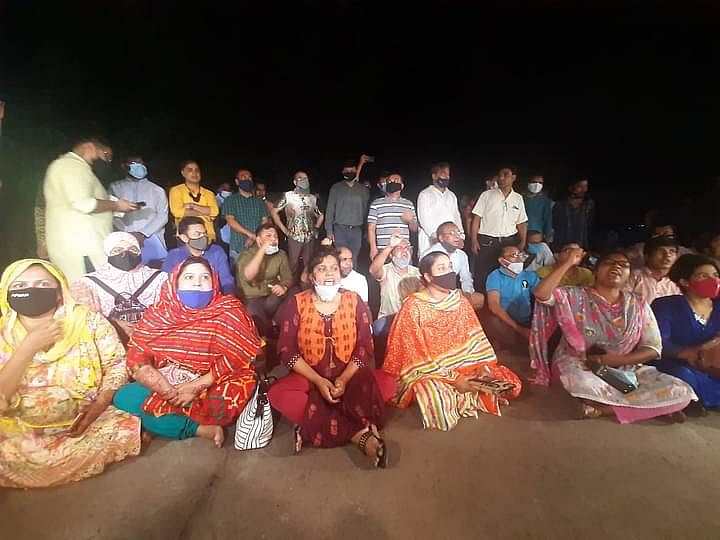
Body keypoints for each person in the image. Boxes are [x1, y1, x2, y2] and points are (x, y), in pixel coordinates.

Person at [0, 259, 141, 488]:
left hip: (85, 419)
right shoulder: (3, 333)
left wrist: (99, 405)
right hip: (19, 428)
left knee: (125, 426)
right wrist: (27, 348)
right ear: (6, 293)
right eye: (19, 286)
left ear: (59, 292)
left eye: (43, 284)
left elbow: (116, 363)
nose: (31, 291)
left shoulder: (88, 321)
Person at [531, 249, 697, 422]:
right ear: (595, 271)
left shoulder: (637, 303)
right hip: (579, 364)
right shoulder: (574, 295)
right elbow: (541, 294)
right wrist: (568, 263)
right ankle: (651, 407)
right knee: (581, 384)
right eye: (609, 262)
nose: (616, 267)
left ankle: (602, 410)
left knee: (681, 391)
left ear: (628, 276)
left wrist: (615, 361)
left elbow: (653, 348)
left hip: (625, 369)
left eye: (623, 265)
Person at [114, 257, 262, 447]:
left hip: (213, 379)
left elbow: (241, 356)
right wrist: (167, 391)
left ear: (214, 282)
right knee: (123, 396)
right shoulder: (159, 313)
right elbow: (137, 357)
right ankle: (198, 429)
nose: (197, 283)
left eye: (205, 277)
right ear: (176, 282)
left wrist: (197, 385)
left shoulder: (229, 310)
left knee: (228, 397)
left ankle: (157, 422)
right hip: (166, 379)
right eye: (189, 277)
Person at [268, 249, 395, 467]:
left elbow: (365, 346)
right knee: (279, 393)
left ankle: (313, 423)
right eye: (322, 268)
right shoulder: (297, 303)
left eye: (334, 268)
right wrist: (318, 381)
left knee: (386, 384)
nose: (329, 274)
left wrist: (343, 380)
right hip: (309, 375)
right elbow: (286, 351)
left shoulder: (354, 301)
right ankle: (360, 434)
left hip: (349, 374)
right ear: (311, 276)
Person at [383, 251, 521, 431]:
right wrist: (454, 379)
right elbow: (414, 354)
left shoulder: (459, 300)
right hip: (430, 370)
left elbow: (476, 339)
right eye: (441, 268)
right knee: (437, 400)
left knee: (511, 384)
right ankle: (465, 394)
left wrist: (482, 368)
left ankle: (473, 390)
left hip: (465, 363)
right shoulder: (413, 305)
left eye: (449, 266)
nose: (449, 272)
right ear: (428, 276)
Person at [43, 139, 138, 282]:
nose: (107, 160)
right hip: (83, 249)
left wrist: (117, 207)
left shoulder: (68, 166)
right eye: (106, 154)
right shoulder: (72, 166)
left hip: (80, 245)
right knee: (90, 292)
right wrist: (117, 206)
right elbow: (84, 204)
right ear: (89, 147)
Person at [71, 232, 168, 342]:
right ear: (107, 253)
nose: (125, 254)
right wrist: (112, 324)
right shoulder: (87, 283)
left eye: (132, 249)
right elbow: (82, 319)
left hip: (153, 338)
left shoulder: (160, 278)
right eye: (117, 250)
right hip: (109, 341)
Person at [652, 254, 720, 410]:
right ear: (685, 281)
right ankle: (689, 400)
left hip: (710, 367)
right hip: (674, 363)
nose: (713, 280)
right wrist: (688, 353)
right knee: (683, 376)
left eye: (716, 275)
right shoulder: (666, 305)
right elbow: (657, 342)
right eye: (703, 276)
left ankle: (691, 401)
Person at [470, 166, 529, 293]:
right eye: (500, 175)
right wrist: (474, 240)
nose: (501, 178)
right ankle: (483, 303)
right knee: (483, 272)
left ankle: (505, 301)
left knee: (508, 272)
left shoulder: (518, 198)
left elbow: (522, 222)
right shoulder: (487, 195)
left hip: (509, 242)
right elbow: (476, 219)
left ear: (514, 177)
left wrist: (523, 242)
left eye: (506, 175)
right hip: (487, 241)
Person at [235, 224, 294, 338]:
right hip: (252, 298)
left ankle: (275, 323)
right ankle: (269, 333)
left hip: (271, 295)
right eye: (268, 236)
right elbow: (248, 276)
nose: (273, 239)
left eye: (275, 236)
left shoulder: (281, 254)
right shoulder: (246, 255)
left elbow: (288, 278)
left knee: (294, 292)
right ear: (258, 240)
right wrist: (263, 249)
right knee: (257, 321)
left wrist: (283, 287)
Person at [109, 156, 169, 265]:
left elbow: (163, 216)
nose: (139, 166)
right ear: (124, 166)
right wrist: (128, 234)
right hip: (125, 240)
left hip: (153, 241)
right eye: (134, 163)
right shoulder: (115, 188)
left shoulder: (156, 190)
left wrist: (142, 234)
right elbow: (112, 214)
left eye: (141, 163)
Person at [483, 245, 541, 351]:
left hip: (526, 320)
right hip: (505, 321)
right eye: (514, 255)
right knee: (492, 322)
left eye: (520, 255)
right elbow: (494, 306)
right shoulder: (495, 276)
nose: (519, 258)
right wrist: (519, 329)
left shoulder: (529, 275)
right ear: (502, 261)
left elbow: (542, 294)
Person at [162, 217, 235, 294]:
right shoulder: (174, 255)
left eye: (204, 233)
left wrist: (228, 299)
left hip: (213, 299)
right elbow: (164, 283)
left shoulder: (217, 252)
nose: (203, 237)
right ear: (184, 238)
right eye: (197, 234)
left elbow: (227, 281)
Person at [271, 171, 324, 276]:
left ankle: (306, 286)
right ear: (295, 182)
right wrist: (284, 230)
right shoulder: (288, 196)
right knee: (292, 263)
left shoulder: (312, 198)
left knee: (308, 264)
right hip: (294, 236)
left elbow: (321, 215)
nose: (304, 180)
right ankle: (288, 286)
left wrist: (316, 228)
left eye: (306, 178)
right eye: (301, 178)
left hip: (309, 237)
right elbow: (274, 212)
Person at [423, 222, 484, 309]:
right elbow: (424, 280)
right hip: (434, 293)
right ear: (441, 238)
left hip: (451, 292)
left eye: (458, 233)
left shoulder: (461, 254)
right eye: (452, 233)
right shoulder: (429, 254)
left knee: (480, 299)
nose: (457, 236)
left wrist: (467, 293)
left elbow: (466, 277)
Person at [324, 155, 371, 264]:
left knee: (353, 260)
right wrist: (329, 231)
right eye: (347, 170)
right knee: (340, 258)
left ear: (356, 170)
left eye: (352, 170)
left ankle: (352, 280)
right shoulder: (336, 188)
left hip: (357, 231)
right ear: (343, 172)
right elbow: (330, 209)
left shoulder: (363, 189)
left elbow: (366, 211)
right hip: (340, 229)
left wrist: (367, 230)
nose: (350, 172)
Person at [369, 234, 421, 332]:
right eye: (399, 248)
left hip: (411, 320)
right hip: (390, 320)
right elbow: (373, 270)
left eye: (406, 248)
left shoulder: (418, 273)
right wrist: (390, 246)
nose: (404, 251)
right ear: (391, 254)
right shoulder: (386, 270)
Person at [222, 169, 271, 262]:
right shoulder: (230, 200)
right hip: (237, 247)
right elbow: (231, 221)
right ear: (237, 181)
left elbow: (264, 221)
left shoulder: (259, 201)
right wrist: (251, 235)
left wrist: (254, 237)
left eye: (249, 178)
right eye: (243, 177)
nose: (247, 180)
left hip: (258, 246)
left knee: (258, 274)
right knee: (238, 274)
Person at [367, 172, 418, 260]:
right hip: (383, 250)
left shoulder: (408, 204)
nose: (392, 182)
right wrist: (373, 248)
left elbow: (415, 229)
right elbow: (371, 228)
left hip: (404, 250)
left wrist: (410, 221)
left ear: (402, 186)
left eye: (396, 180)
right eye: (390, 181)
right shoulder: (376, 204)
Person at [417, 162, 464, 255]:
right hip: (430, 241)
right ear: (434, 176)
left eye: (448, 174)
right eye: (443, 174)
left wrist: (461, 236)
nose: (446, 177)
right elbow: (423, 219)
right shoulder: (425, 194)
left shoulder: (451, 195)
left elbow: (456, 216)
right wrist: (436, 236)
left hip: (450, 240)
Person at [168, 160, 219, 242]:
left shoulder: (209, 193)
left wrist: (192, 206)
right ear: (183, 173)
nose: (194, 173)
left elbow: (215, 211)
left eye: (197, 170)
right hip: (186, 238)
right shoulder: (176, 190)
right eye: (190, 170)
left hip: (208, 237)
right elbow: (177, 212)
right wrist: (204, 214)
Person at [626, 236, 681, 305]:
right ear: (647, 256)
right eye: (661, 251)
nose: (667, 255)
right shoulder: (634, 276)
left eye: (672, 251)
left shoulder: (679, 281)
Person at [552, 178, 595, 250]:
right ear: (571, 188)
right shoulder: (560, 205)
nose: (583, 190)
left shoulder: (589, 204)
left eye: (585, 186)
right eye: (580, 186)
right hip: (562, 246)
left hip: (581, 246)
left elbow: (589, 225)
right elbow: (554, 225)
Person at [523, 175, 553, 242]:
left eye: (540, 183)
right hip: (520, 233)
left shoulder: (545, 201)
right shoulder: (519, 198)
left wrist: (548, 235)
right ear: (528, 182)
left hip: (536, 235)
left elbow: (548, 219)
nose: (537, 185)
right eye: (534, 182)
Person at [215, 181, 234, 247]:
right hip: (219, 233)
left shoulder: (234, 200)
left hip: (232, 235)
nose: (226, 191)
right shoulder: (214, 200)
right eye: (224, 189)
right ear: (219, 189)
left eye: (228, 189)